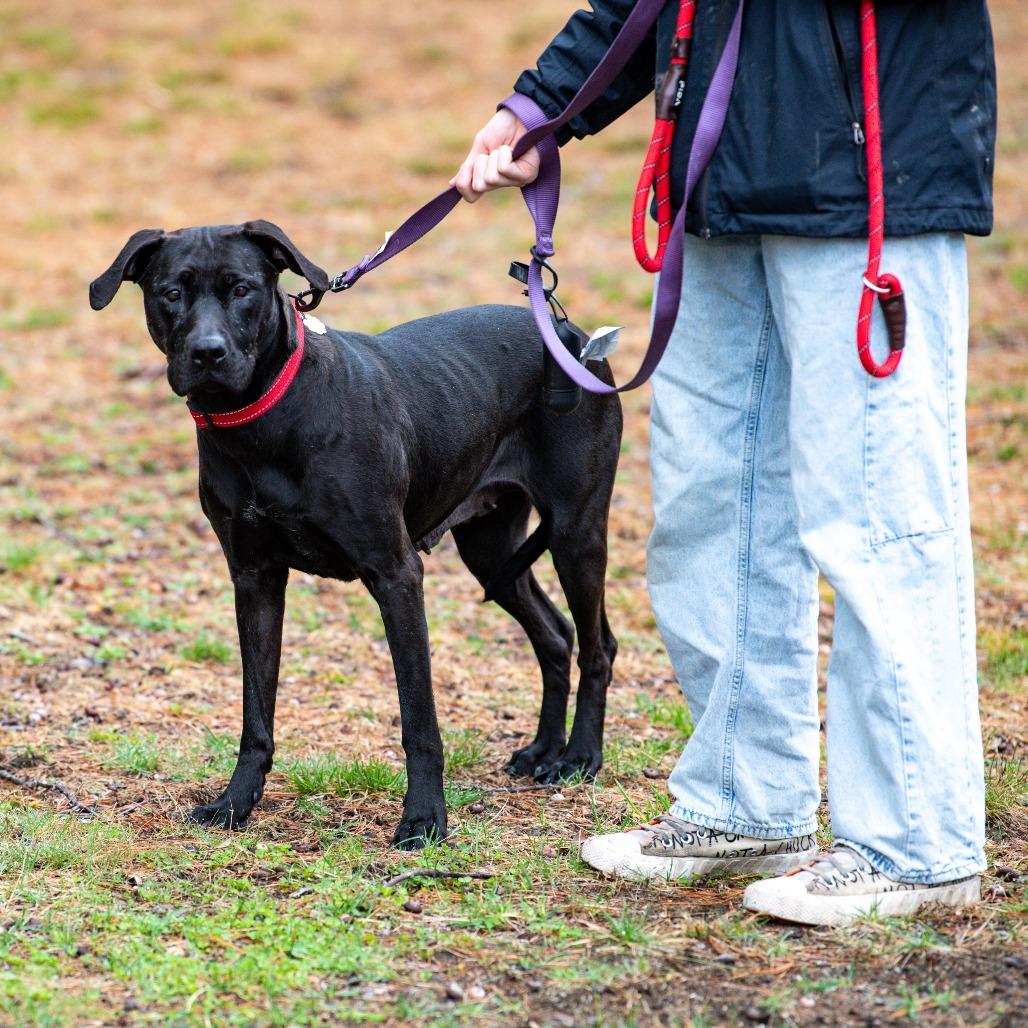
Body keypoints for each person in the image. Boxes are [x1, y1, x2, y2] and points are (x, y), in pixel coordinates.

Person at [451, 0, 996, 927]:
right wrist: (543, 106)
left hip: (871, 179)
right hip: (714, 184)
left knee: (875, 516)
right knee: (712, 506)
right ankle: (743, 804)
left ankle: (919, 843)